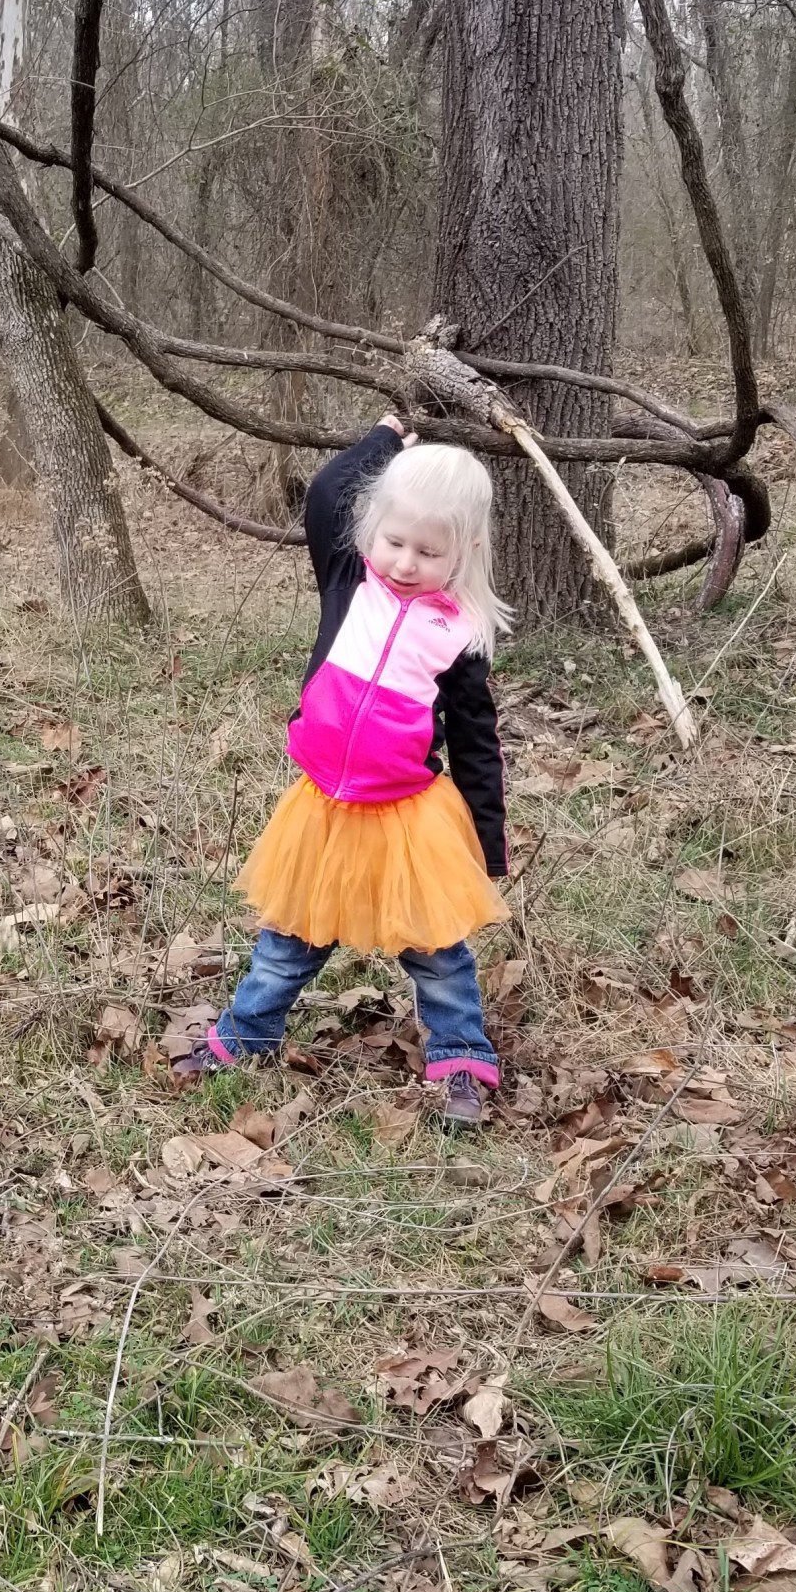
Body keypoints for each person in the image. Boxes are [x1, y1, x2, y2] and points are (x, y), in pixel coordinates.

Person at [174, 413, 512, 1129]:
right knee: (288, 939)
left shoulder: (459, 635)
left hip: (406, 817)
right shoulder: (347, 580)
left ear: (465, 553)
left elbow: (476, 743)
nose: (405, 562)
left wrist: (486, 843)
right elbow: (328, 488)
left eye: (429, 551)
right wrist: (384, 436)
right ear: (371, 530)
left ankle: (460, 1056)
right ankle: (247, 1034)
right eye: (395, 541)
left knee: (436, 951)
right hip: (324, 807)